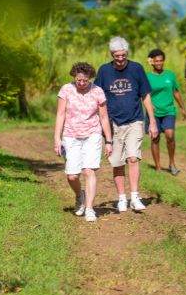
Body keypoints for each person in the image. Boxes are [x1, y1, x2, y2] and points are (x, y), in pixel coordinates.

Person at [94, 37, 158, 213]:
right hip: (113, 123)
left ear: (127, 53)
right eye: (117, 56)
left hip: (134, 120)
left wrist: (152, 121)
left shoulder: (136, 69)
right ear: (111, 55)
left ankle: (135, 196)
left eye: (123, 55)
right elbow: (97, 97)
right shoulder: (104, 71)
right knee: (117, 162)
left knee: (132, 158)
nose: (120, 59)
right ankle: (122, 197)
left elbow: (145, 96)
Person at [54, 62, 113, 222]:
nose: (81, 83)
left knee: (89, 171)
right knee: (72, 176)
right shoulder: (66, 90)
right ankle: (80, 196)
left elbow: (103, 117)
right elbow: (60, 115)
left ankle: (89, 208)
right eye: (79, 80)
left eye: (85, 80)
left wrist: (108, 141)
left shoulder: (97, 91)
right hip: (71, 135)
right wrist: (57, 138)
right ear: (74, 77)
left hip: (92, 134)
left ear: (90, 78)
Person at [146, 48, 186, 175]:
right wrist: (150, 105)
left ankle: (172, 163)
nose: (159, 63)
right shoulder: (147, 76)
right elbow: (144, 93)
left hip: (169, 110)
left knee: (170, 135)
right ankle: (158, 166)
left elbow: (175, 92)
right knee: (155, 138)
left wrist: (183, 108)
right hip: (153, 112)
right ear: (152, 62)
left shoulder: (170, 75)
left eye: (161, 61)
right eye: (156, 61)